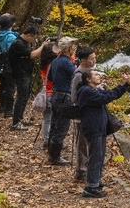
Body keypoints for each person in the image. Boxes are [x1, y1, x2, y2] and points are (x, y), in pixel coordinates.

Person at [75, 69, 130, 198]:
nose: (99, 76)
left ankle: (95, 181)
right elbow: (107, 97)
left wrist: (124, 85)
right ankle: (91, 187)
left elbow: (109, 94)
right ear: (88, 79)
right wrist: (121, 85)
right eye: (95, 74)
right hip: (93, 128)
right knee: (95, 157)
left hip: (99, 128)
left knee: (99, 156)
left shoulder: (92, 90)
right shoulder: (86, 91)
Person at [47, 36, 78, 165]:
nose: (74, 48)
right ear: (69, 48)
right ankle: (55, 157)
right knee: (62, 127)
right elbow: (77, 76)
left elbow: (49, 77)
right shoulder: (66, 62)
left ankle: (52, 154)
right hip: (65, 96)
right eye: (73, 47)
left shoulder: (55, 61)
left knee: (54, 124)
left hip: (55, 94)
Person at [7, 25, 41, 130]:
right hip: (20, 74)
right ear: (29, 35)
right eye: (33, 38)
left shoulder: (23, 43)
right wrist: (43, 46)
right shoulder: (18, 44)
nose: (33, 41)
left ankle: (20, 118)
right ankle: (16, 122)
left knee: (24, 97)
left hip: (25, 73)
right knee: (21, 97)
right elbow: (32, 55)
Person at [71, 46, 97, 182]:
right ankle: (81, 171)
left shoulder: (88, 72)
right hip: (81, 113)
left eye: (95, 58)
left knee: (87, 142)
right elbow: (74, 96)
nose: (94, 61)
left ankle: (87, 168)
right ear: (83, 60)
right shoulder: (79, 74)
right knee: (82, 142)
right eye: (92, 59)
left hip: (89, 112)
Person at [0, 14, 18, 118]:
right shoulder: (10, 37)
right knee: (10, 87)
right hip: (11, 65)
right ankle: (9, 110)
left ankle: (2, 107)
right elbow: (14, 51)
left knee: (3, 85)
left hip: (1, 64)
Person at [37, 41, 56, 149]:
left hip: (45, 94)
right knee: (52, 118)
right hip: (52, 93)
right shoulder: (53, 65)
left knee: (46, 118)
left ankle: (46, 139)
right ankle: (50, 140)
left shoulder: (43, 64)